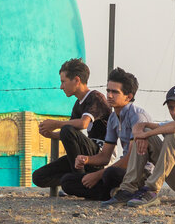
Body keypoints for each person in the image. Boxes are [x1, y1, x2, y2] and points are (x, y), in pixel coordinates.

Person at [108, 84, 175, 208]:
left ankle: (151, 191)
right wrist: (141, 134)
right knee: (147, 132)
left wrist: (147, 133)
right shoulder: (172, 124)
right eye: (171, 108)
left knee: (174, 134)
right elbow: (140, 126)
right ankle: (128, 189)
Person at [64, 67, 153, 202]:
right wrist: (87, 160)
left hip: (140, 173)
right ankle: (113, 193)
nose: (109, 95)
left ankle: (123, 192)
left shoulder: (137, 116)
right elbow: (105, 156)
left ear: (128, 97)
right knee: (67, 181)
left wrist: (98, 175)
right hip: (123, 171)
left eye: (115, 92)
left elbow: (131, 159)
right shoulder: (113, 118)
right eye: (108, 91)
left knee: (110, 174)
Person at [32, 58, 110, 190]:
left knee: (67, 129)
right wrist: (51, 134)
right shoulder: (78, 104)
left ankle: (80, 182)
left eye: (63, 82)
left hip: (100, 155)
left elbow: (83, 124)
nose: (61, 87)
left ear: (77, 80)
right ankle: (77, 181)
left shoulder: (95, 98)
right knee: (39, 177)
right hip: (83, 155)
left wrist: (56, 123)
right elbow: (71, 134)